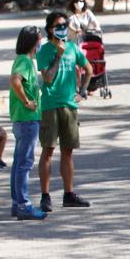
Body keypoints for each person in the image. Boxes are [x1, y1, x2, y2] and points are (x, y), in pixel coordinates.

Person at [36, 11, 92, 211]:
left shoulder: (72, 48)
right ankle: (45, 195)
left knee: (67, 151)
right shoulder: (44, 51)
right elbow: (48, 78)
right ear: (50, 28)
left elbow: (89, 69)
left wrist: (82, 92)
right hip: (50, 105)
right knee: (48, 150)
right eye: (58, 25)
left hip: (69, 105)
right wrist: (58, 56)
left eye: (64, 25)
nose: (62, 29)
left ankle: (69, 194)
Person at [9, 26, 46, 221]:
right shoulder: (24, 61)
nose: (41, 42)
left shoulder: (25, 61)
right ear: (32, 42)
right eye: (39, 39)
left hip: (24, 118)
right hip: (26, 117)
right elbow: (15, 81)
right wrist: (26, 102)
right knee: (25, 162)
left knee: (19, 161)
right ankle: (23, 203)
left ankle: (17, 202)